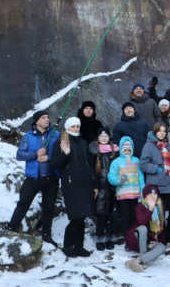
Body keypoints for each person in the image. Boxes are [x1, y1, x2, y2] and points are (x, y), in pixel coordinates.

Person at [7, 110, 59, 246]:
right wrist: (35, 154)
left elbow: (62, 153)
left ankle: (46, 235)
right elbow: (19, 155)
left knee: (49, 207)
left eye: (48, 117)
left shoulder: (55, 135)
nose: (47, 119)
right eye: (43, 118)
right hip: (33, 177)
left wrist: (49, 157)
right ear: (37, 121)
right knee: (23, 202)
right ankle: (12, 227)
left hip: (51, 176)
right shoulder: (28, 137)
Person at [50, 117, 96, 257]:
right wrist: (65, 153)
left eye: (77, 126)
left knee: (82, 217)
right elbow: (54, 164)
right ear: (67, 128)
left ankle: (79, 246)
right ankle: (68, 246)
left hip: (85, 183)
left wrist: (94, 184)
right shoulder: (61, 142)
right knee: (76, 216)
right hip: (71, 184)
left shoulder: (82, 142)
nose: (76, 129)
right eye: (73, 126)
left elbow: (89, 164)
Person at [140, 123, 170, 244]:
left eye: (164, 131)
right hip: (156, 185)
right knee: (158, 214)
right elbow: (143, 164)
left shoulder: (168, 146)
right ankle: (160, 239)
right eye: (159, 131)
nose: (162, 133)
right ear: (155, 132)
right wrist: (156, 169)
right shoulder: (148, 146)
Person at [108, 136, 145, 238]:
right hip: (122, 195)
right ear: (121, 149)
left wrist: (143, 191)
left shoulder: (136, 160)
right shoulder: (116, 162)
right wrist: (118, 180)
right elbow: (111, 177)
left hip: (135, 194)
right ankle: (126, 236)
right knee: (125, 216)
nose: (127, 151)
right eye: (125, 149)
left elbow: (140, 177)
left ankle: (134, 235)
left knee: (134, 216)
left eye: (129, 149)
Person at [125, 184, 167, 272]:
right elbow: (142, 222)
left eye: (155, 194)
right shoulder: (140, 207)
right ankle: (143, 259)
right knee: (143, 228)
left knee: (162, 247)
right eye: (150, 194)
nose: (152, 196)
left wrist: (157, 242)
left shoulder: (159, 208)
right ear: (145, 196)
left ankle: (138, 261)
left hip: (148, 241)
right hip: (136, 239)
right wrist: (150, 209)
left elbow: (161, 227)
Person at [89, 127, 118, 251]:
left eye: (106, 136)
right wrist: (95, 186)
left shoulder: (115, 151)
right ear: (98, 138)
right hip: (100, 186)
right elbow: (91, 170)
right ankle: (100, 238)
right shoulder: (94, 151)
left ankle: (109, 238)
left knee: (112, 214)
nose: (104, 138)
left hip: (113, 186)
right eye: (101, 136)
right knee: (101, 214)